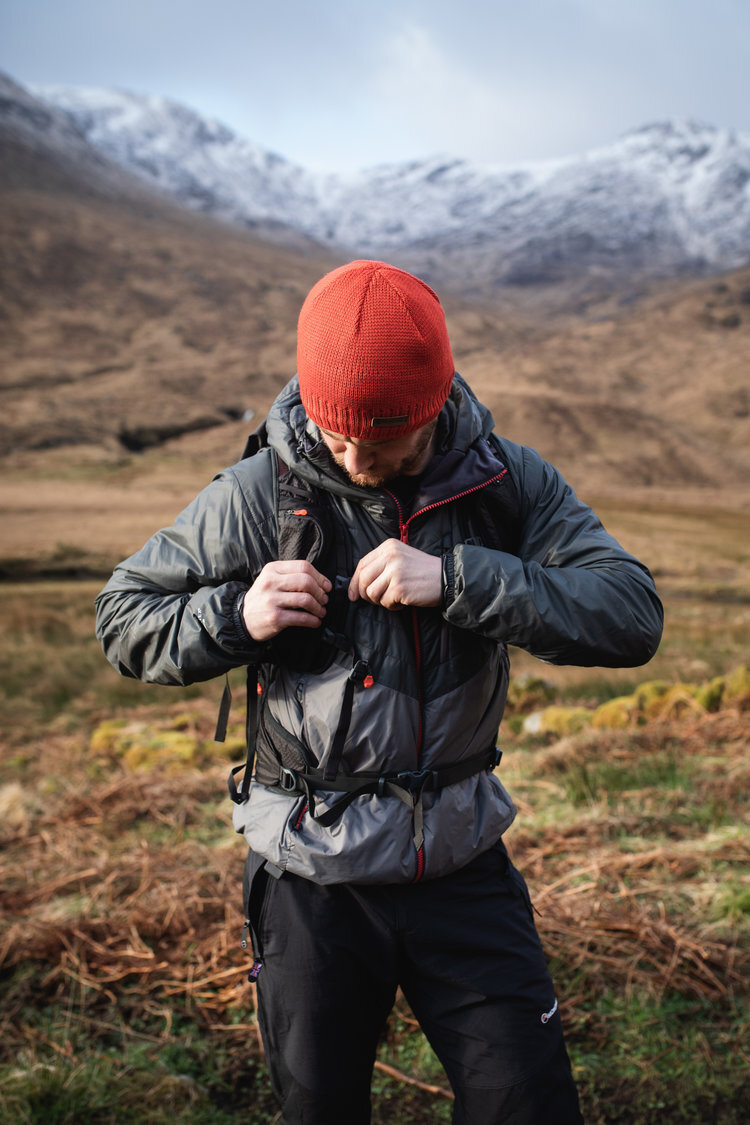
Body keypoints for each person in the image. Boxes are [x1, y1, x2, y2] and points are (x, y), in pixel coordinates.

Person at [96, 259, 663, 1124]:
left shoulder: (508, 483)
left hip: (463, 864)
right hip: (309, 879)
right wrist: (236, 615)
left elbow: (630, 614)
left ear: (434, 405)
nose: (357, 459)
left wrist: (462, 579)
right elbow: (123, 617)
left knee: (529, 1105)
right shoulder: (256, 495)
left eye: (384, 436)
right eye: (336, 433)